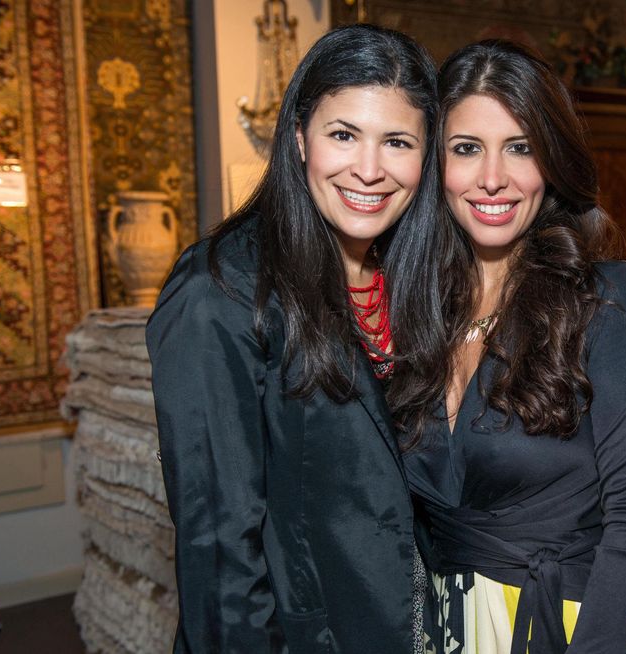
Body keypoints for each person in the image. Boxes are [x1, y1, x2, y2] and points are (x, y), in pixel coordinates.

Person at [146, 24, 445, 653]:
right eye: (343, 134)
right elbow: (218, 547)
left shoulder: (413, 278)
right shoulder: (219, 290)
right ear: (300, 137)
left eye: (397, 141)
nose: (369, 169)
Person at [394, 40, 626, 654]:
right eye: (467, 149)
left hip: (575, 627)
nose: (493, 178)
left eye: (519, 148)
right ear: (434, 164)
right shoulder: (416, 309)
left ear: (551, 161)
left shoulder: (606, 300)